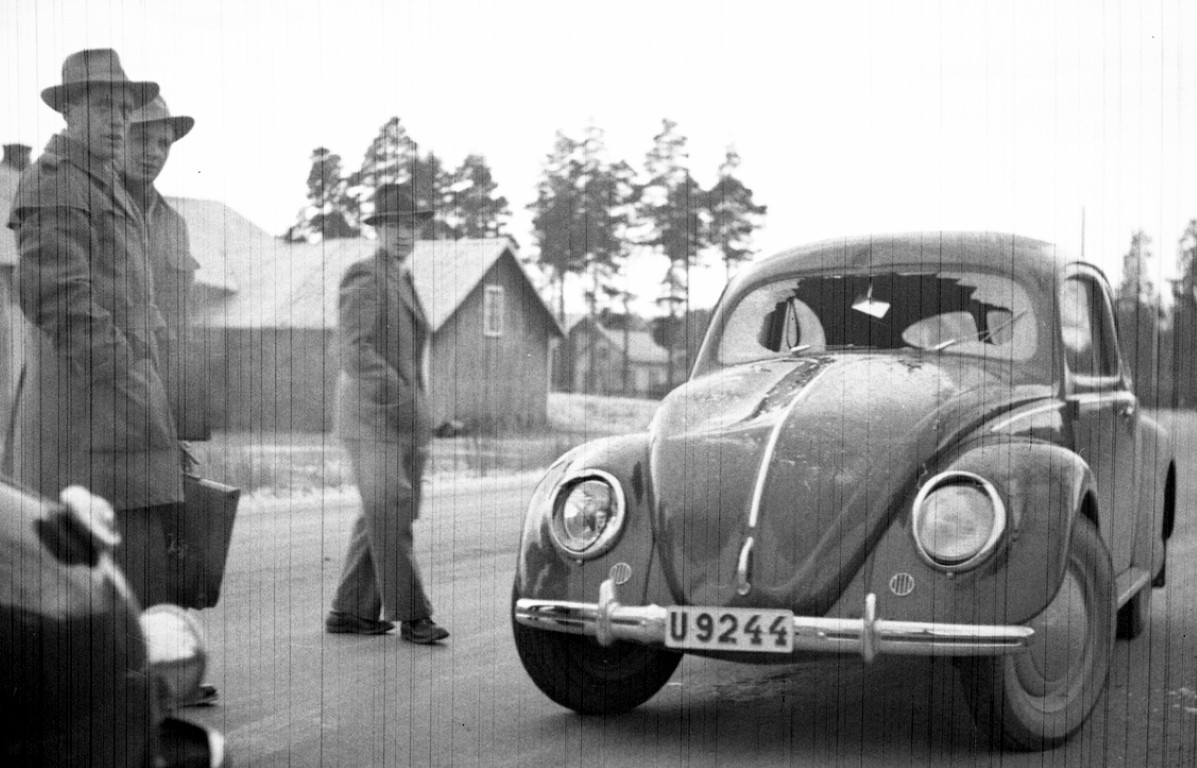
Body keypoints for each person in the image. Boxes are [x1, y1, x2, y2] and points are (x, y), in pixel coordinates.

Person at [8, 49, 184, 613]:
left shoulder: (105, 184)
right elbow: (58, 297)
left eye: (125, 109)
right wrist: (131, 380)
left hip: (120, 418)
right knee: (89, 594)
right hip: (86, 420)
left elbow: (136, 299)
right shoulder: (57, 182)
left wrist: (157, 380)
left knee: (136, 575)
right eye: (104, 106)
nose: (118, 120)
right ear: (70, 112)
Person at [118, 93, 218, 707]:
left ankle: (162, 669)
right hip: (109, 392)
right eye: (142, 138)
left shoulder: (172, 222)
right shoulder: (100, 210)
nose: (154, 152)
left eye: (164, 142)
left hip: (158, 396)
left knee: (157, 543)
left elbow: (180, 325)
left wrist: (182, 414)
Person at [326, 182, 449, 644]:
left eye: (411, 226)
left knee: (385, 513)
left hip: (401, 421)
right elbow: (352, 350)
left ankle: (351, 610)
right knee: (391, 513)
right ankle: (414, 615)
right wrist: (398, 395)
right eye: (393, 225)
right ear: (377, 230)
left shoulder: (400, 278)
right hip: (371, 420)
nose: (403, 234)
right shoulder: (365, 275)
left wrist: (416, 411)